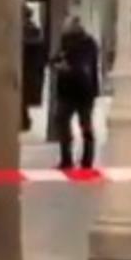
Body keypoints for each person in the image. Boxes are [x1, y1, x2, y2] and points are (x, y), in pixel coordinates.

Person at [54, 16, 100, 169]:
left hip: (84, 91)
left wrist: (68, 68)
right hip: (66, 90)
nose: (65, 27)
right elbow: (56, 58)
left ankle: (87, 160)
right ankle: (66, 158)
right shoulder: (65, 41)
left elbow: (84, 66)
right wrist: (58, 63)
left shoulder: (88, 43)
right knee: (61, 121)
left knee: (85, 124)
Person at [21, 6, 46, 132]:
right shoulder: (34, 31)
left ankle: (24, 122)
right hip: (30, 71)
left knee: (21, 98)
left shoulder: (28, 31)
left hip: (26, 71)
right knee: (22, 100)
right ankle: (24, 121)